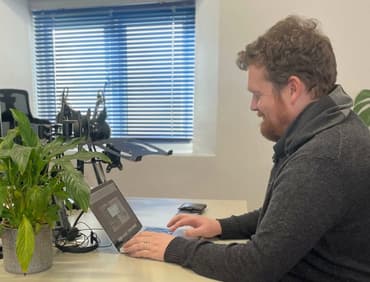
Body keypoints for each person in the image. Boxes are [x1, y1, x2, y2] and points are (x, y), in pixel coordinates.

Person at [122, 15, 370, 281]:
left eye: (258, 94)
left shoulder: (322, 157)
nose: (253, 106)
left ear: (293, 89)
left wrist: (174, 247)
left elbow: (255, 265)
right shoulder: (334, 127)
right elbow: (285, 219)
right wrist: (219, 226)